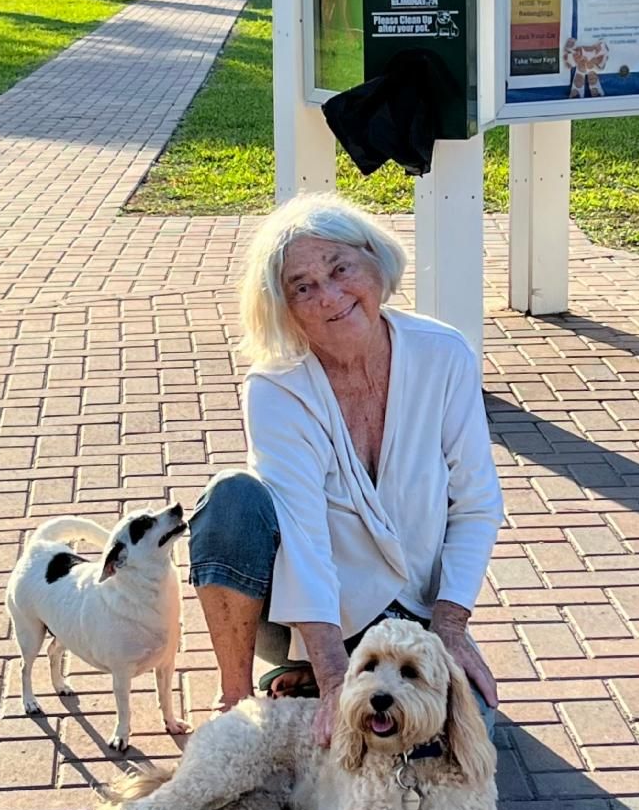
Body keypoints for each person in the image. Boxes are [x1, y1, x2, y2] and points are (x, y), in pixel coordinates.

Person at [188, 192, 502, 749]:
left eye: (340, 269)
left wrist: (449, 629)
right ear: (282, 308)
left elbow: (476, 503)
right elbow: (304, 537)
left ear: (375, 262)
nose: (330, 296)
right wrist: (334, 675)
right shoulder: (276, 386)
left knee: (454, 736)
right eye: (302, 287)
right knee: (231, 500)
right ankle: (239, 705)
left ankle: (332, 685)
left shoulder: (444, 354)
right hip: (310, 621)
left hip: (417, 616)